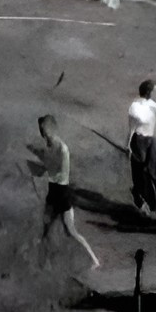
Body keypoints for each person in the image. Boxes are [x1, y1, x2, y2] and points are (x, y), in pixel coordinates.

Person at [36, 114, 102, 270]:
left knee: (71, 231)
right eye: (41, 130)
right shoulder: (50, 147)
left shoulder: (62, 148)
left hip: (62, 193)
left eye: (44, 129)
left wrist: (46, 171)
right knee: (45, 228)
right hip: (53, 193)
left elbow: (62, 174)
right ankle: (44, 261)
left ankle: (94, 259)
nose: (43, 133)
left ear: (51, 128)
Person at [128, 79, 156, 213]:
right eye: (154, 91)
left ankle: (153, 202)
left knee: (152, 171)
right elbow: (131, 127)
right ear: (147, 92)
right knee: (140, 171)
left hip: (151, 140)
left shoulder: (154, 105)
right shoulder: (135, 107)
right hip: (139, 140)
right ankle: (139, 197)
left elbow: (154, 124)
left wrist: (155, 141)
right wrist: (128, 145)